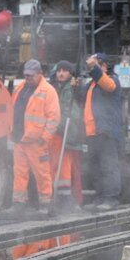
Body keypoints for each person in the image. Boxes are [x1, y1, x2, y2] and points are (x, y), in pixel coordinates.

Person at [9, 58, 60, 216]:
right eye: (26, 75)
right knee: (19, 173)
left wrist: (44, 138)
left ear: (40, 74)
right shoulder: (20, 89)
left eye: (31, 75)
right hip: (20, 139)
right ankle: (18, 204)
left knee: (42, 174)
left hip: (36, 142)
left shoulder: (48, 91)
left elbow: (54, 117)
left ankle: (46, 205)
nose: (28, 78)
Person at [76, 53, 123, 211]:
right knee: (95, 167)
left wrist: (93, 68)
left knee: (108, 166)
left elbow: (108, 86)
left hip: (106, 131)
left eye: (97, 65)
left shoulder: (112, 80)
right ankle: (100, 196)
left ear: (104, 66)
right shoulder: (92, 84)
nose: (93, 68)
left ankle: (111, 198)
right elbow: (81, 99)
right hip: (92, 133)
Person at [48, 60, 84, 212]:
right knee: (63, 168)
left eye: (64, 71)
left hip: (68, 134)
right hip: (63, 133)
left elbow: (70, 112)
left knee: (71, 169)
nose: (61, 74)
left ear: (70, 73)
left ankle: (75, 201)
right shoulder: (60, 87)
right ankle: (69, 200)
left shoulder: (70, 89)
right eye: (58, 71)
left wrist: (59, 127)